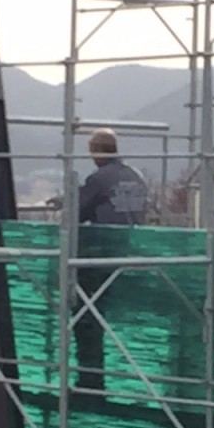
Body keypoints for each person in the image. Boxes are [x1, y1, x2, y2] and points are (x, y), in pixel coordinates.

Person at [74, 127, 148, 394]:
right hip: (129, 251)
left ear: (96, 151)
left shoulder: (99, 178)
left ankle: (90, 379)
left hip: (99, 255)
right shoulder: (135, 176)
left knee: (87, 316)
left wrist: (66, 203)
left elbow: (77, 213)